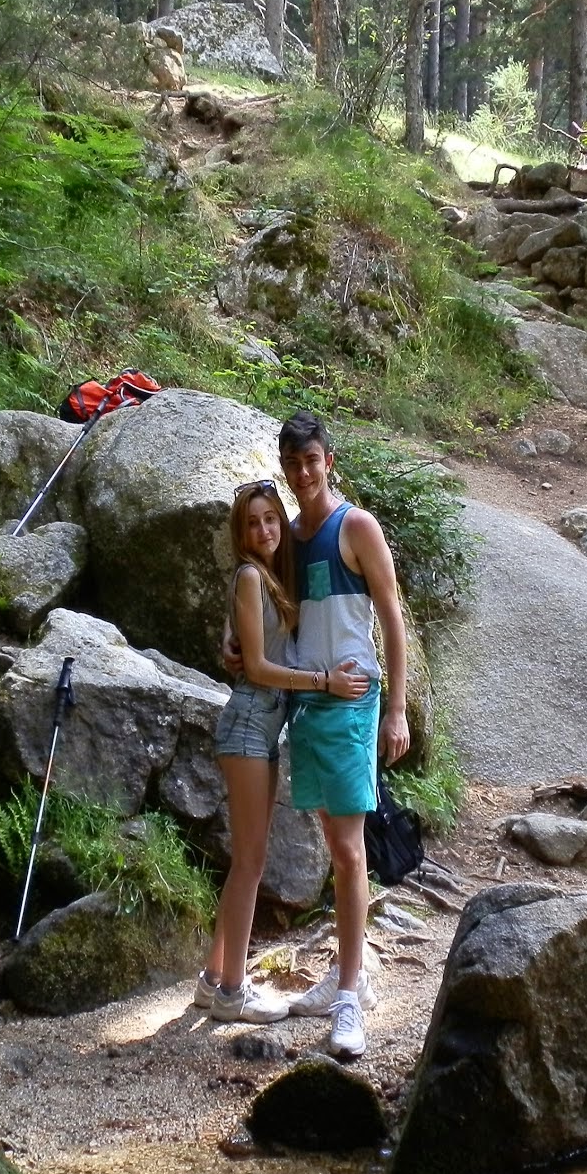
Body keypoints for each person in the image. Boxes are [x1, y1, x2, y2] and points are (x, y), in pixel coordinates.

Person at [193, 478, 369, 1023]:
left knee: (247, 861)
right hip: (248, 725)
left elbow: (249, 642)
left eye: (272, 519)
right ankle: (231, 991)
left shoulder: (269, 576)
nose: (266, 529)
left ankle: (211, 979)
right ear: (241, 532)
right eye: (253, 522)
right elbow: (262, 669)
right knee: (249, 862)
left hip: (263, 731)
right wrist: (325, 682)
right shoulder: (250, 576)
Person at [273, 411, 410, 1060]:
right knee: (334, 842)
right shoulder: (290, 535)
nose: (303, 473)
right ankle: (344, 968)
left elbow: (391, 615)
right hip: (309, 699)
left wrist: (398, 710)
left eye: (312, 461)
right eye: (293, 464)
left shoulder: (356, 526)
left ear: (329, 460)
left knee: (351, 850)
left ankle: (353, 994)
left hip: (354, 701)